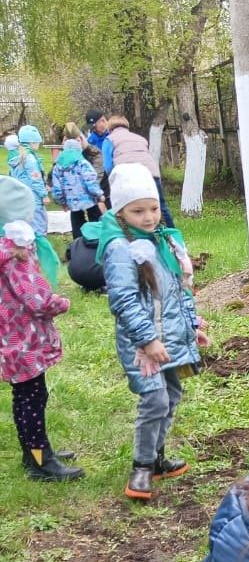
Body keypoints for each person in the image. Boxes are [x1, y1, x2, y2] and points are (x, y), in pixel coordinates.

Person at [100, 164, 205, 500]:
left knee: (171, 395)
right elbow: (124, 301)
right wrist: (148, 339)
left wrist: (193, 327)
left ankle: (157, 458)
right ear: (120, 211)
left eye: (154, 209)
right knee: (155, 399)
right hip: (142, 345)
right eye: (138, 211)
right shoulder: (120, 249)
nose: (148, 217)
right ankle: (141, 469)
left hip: (168, 339)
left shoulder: (158, 241)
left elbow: (175, 291)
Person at [0, 176, 83, 482]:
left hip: (11, 339)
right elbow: (36, 300)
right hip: (24, 340)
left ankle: (34, 451)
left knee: (28, 396)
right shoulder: (15, 256)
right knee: (31, 400)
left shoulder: (5, 251)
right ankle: (40, 460)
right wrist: (60, 303)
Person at [104, 114, 174, 228]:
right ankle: (173, 237)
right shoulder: (140, 138)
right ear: (127, 127)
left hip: (127, 175)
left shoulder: (109, 139)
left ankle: (131, 233)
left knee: (128, 207)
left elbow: (107, 166)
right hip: (150, 173)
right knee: (160, 205)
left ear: (110, 129)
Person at [51, 137, 106, 239]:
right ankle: (98, 239)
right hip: (89, 200)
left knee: (76, 221)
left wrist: (62, 201)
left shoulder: (58, 166)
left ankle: (78, 243)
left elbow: (57, 188)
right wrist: (98, 195)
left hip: (72, 202)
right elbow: (90, 180)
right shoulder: (83, 163)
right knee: (96, 219)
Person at [84, 111, 114, 203]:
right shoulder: (91, 140)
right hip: (99, 173)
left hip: (112, 171)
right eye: (93, 127)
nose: (102, 125)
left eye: (103, 121)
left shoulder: (111, 136)